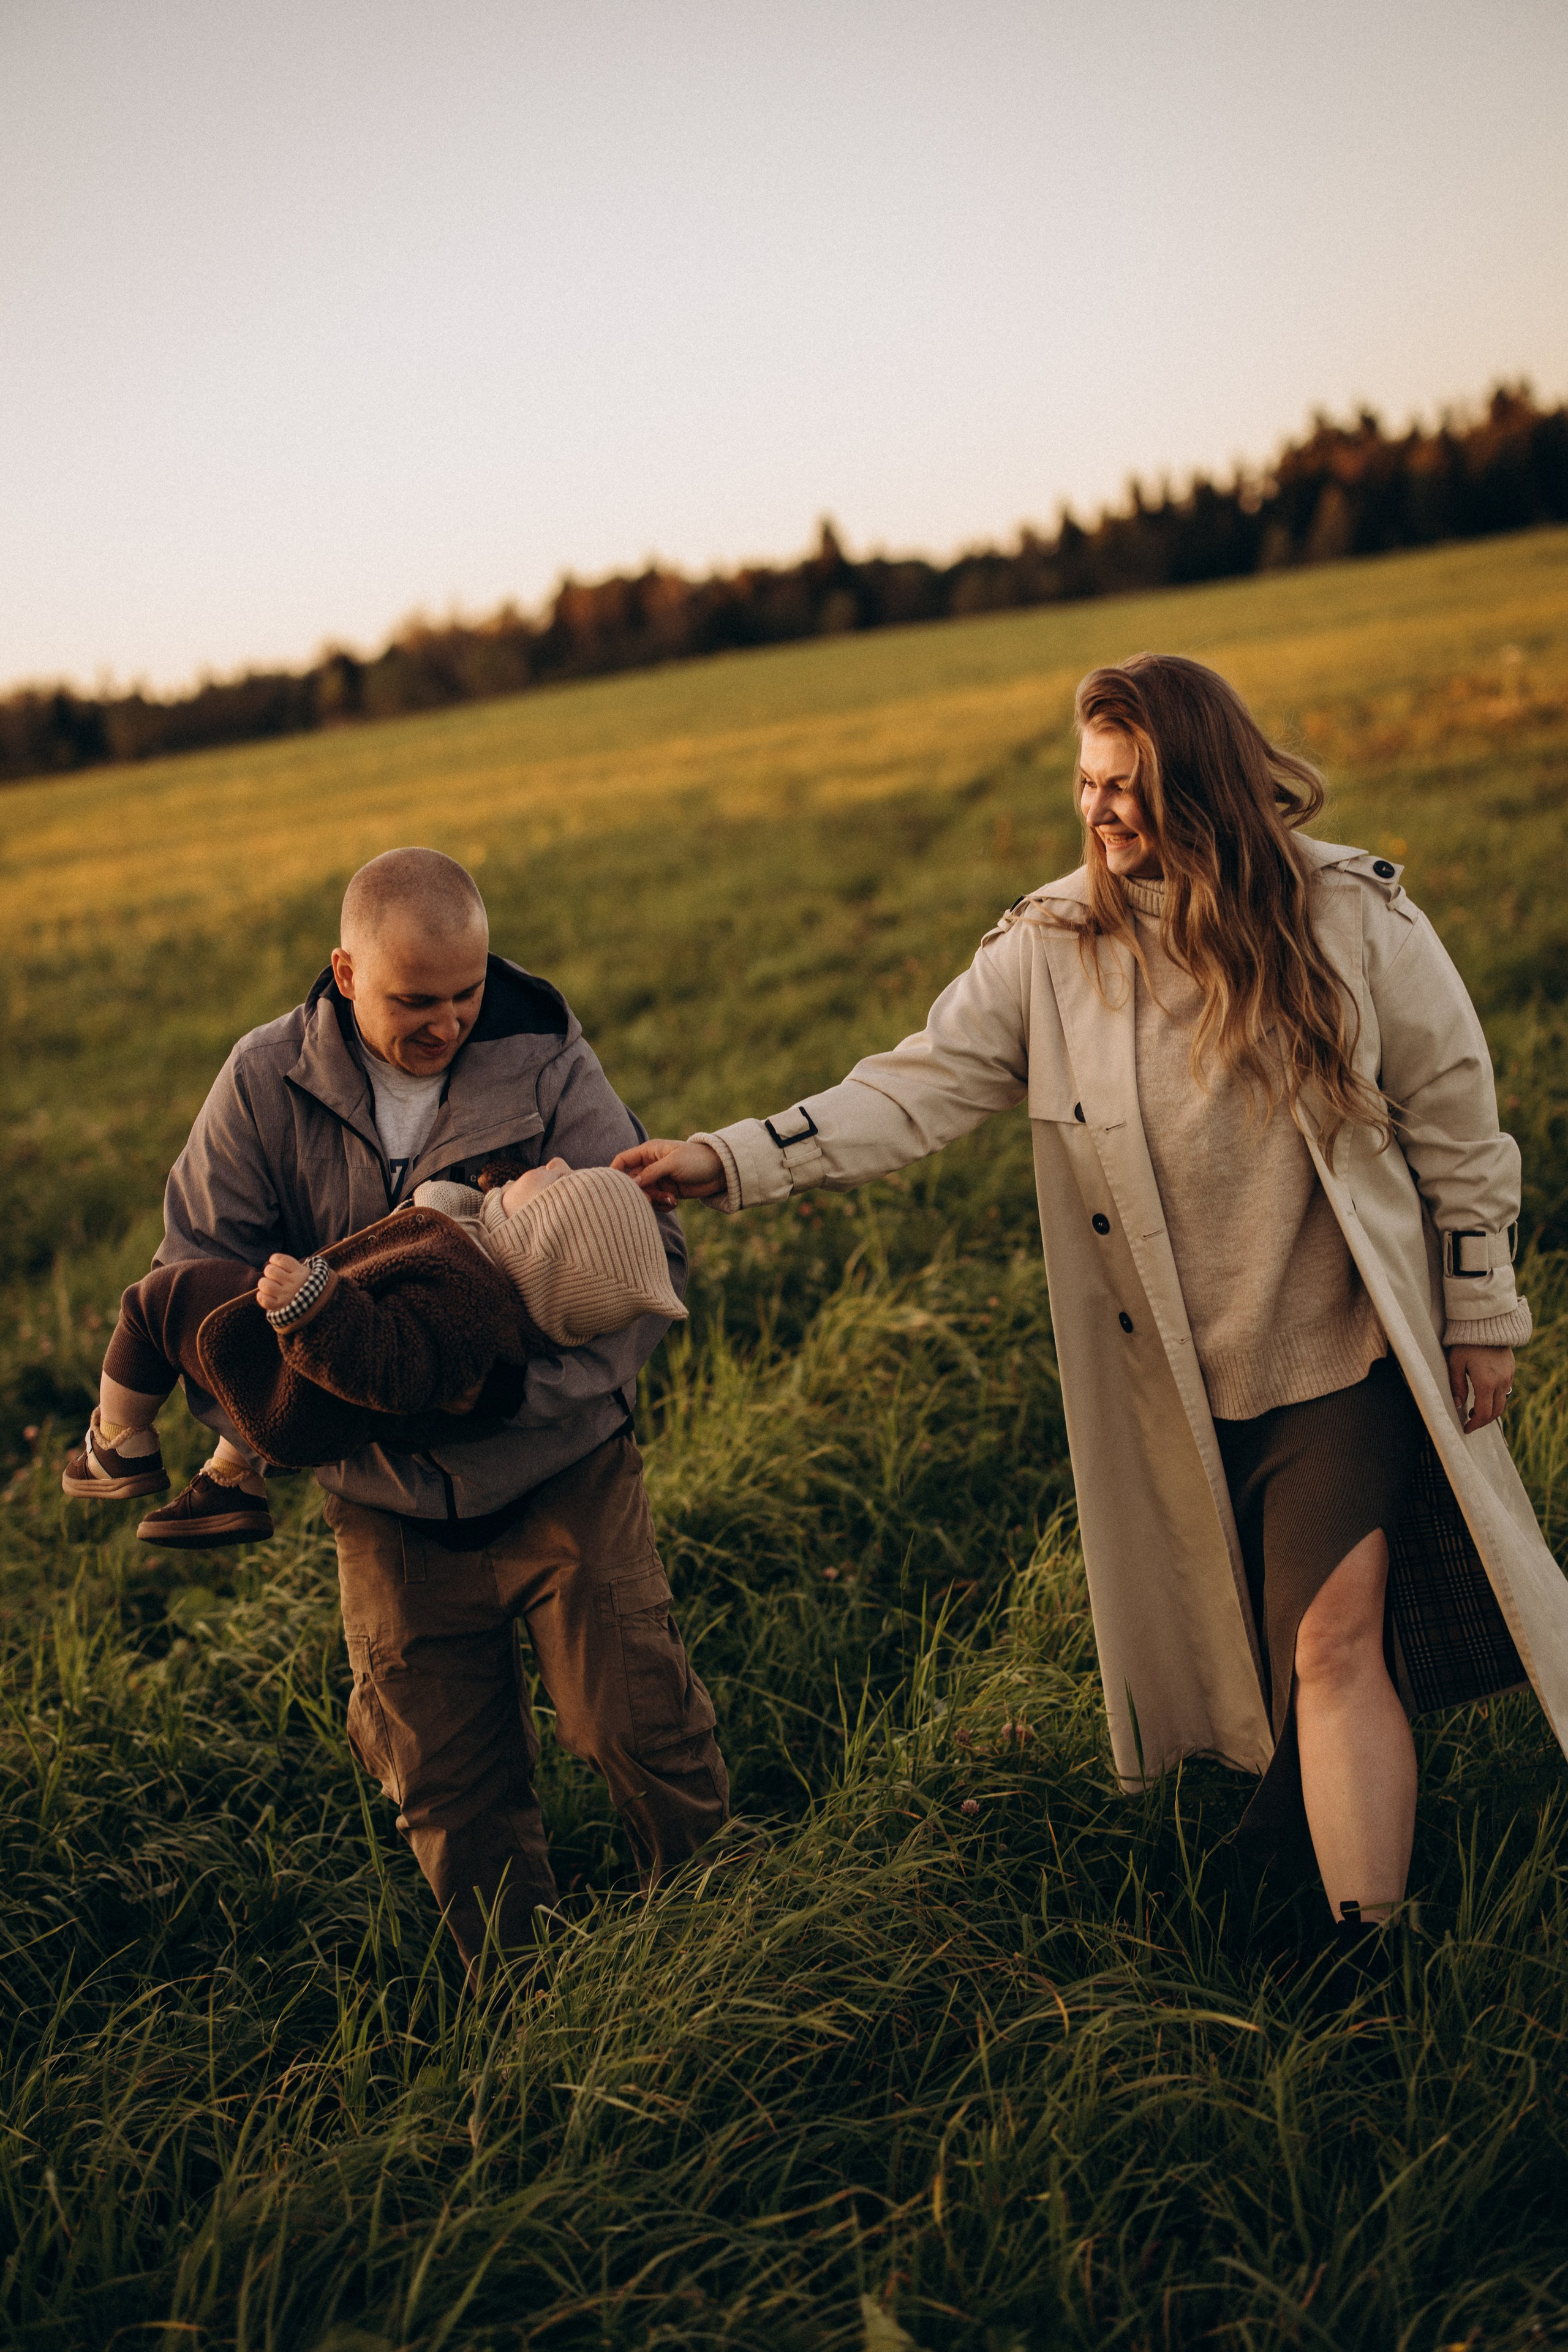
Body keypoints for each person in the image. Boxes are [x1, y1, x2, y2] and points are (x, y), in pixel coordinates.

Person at [616, 654, 1568, 1965]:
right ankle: (1289, 1867)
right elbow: (912, 1088)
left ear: (1205, 782)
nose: (1102, 812)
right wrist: (732, 1158)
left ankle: (1369, 1956)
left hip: (1338, 1355)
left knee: (1337, 1640)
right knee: (1256, 1663)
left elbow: (1457, 1118)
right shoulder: (1048, 954)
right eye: (1085, 783)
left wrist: (1478, 1309)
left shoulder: (1348, 917)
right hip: (1170, 1384)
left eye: (1129, 784)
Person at [75, 846, 728, 1971]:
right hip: (382, 1504)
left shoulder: (543, 1059)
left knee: (635, 1725)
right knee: (442, 1779)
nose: (447, 1023)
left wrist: (507, 1387)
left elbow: (644, 1259)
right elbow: (198, 1267)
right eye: (416, 1001)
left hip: (562, 1468)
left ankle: (724, 1938)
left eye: (466, 995)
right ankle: (522, 1999)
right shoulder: (262, 1081)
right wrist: (295, 1398)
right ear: (344, 971)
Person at [64, 1158, 687, 1501]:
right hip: (308, 1379)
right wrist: (501, 1184)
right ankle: (229, 1483)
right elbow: (467, 1204)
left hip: (302, 1377)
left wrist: (315, 1306)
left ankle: (119, 1445)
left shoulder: (467, 1302)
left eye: (558, 1181)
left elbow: (394, 1364)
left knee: (156, 1302)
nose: (553, 1159)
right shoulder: (489, 1277)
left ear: (538, 1238)